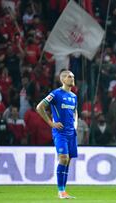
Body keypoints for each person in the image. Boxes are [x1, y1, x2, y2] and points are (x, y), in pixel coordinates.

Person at [36, 70, 77, 199]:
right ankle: (60, 191)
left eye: (73, 76)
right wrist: (50, 123)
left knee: (68, 161)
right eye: (70, 76)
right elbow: (40, 107)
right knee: (63, 158)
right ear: (63, 79)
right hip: (60, 133)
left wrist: (75, 126)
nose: (72, 78)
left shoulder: (74, 96)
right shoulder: (56, 94)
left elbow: (75, 112)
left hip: (72, 133)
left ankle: (64, 191)